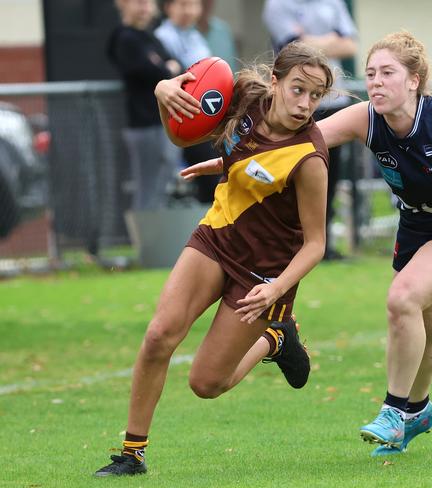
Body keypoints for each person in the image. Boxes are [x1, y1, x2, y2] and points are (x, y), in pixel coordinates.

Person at [179, 31, 432, 456]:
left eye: (388, 73)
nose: (376, 82)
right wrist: (228, 160)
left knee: (404, 297)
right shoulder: (366, 118)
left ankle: (393, 411)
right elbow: (293, 142)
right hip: (419, 225)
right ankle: (418, 411)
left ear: (414, 80)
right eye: (370, 74)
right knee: (428, 323)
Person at [94, 41, 334, 476]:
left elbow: (315, 243)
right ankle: (131, 454)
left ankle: (277, 338)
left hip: (264, 274)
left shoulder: (310, 156)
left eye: (316, 96)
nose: (305, 104)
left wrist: (277, 289)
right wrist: (164, 91)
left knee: (206, 383)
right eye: (298, 89)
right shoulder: (242, 95)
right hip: (217, 238)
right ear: (276, 82)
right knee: (158, 335)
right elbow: (181, 132)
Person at [262, 0, 359, 260]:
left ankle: (321, 243)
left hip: (332, 103)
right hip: (294, 104)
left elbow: (350, 45)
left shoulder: (333, 2)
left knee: (329, 177)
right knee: (289, 174)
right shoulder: (277, 4)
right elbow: (296, 49)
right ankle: (289, 243)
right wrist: (330, 40)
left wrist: (312, 40)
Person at [107, 0, 183, 210]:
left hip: (162, 122)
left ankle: (152, 239)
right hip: (144, 124)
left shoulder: (151, 37)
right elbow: (154, 71)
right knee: (147, 190)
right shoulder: (125, 38)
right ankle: (144, 241)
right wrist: (166, 68)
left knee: (160, 187)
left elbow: (177, 66)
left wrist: (165, 67)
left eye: (148, 2)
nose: (145, 7)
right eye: (138, 2)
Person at [155, 0, 221, 203]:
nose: (189, 11)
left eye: (194, 5)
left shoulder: (195, 35)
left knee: (208, 182)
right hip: (175, 118)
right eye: (183, 4)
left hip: (202, 117)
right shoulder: (162, 37)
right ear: (168, 8)